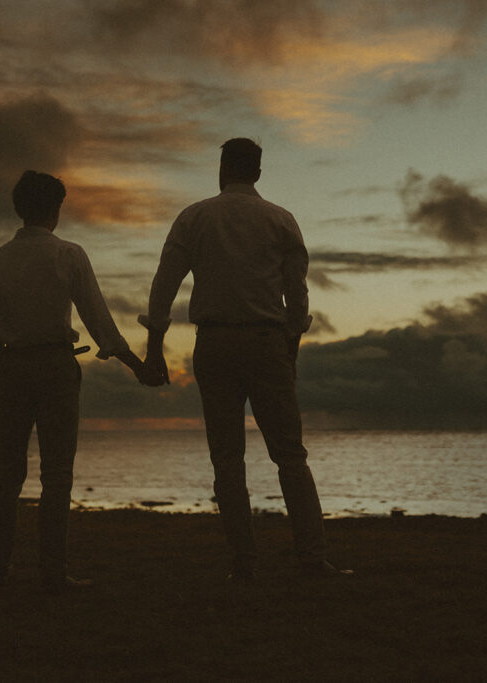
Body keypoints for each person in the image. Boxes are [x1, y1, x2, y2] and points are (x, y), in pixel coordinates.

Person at [141, 138, 351, 580]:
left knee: (227, 457)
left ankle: (245, 561)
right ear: (257, 172)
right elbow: (296, 293)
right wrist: (290, 349)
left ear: (222, 169)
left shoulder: (194, 217)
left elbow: (164, 285)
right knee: (290, 454)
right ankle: (312, 557)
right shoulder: (280, 219)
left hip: (214, 343)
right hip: (266, 341)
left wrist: (155, 348)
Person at [0, 170, 149, 594]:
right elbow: (98, 320)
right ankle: (52, 573)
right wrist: (136, 364)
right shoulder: (68, 254)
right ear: (55, 210)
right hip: (54, 367)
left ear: (20, 209)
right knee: (57, 475)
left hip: (12, 367)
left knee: (7, 474)